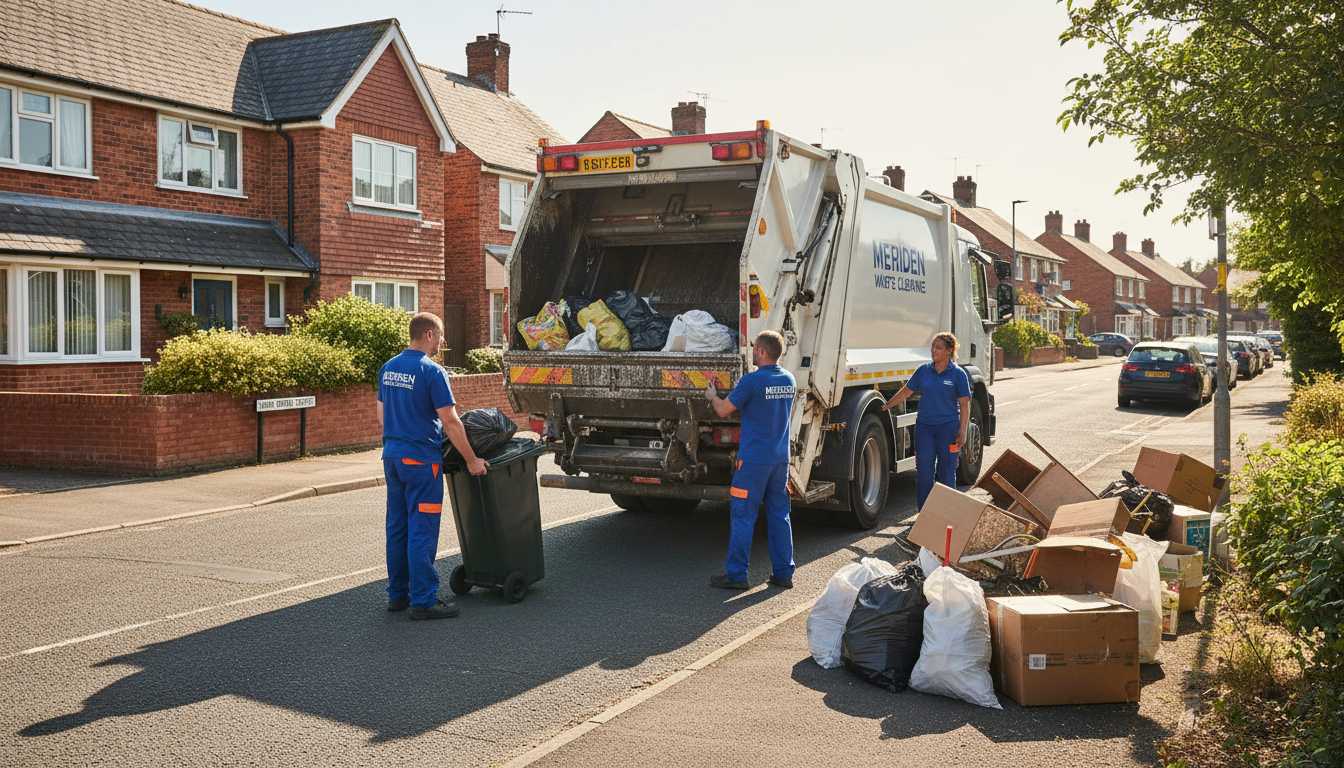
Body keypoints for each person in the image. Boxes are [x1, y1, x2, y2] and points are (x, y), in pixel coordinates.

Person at [378, 312, 488, 620]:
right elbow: (450, 422)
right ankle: (424, 600)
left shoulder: (388, 369)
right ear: (428, 335)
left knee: (397, 528)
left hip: (393, 457)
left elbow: (381, 417)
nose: (442, 342)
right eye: (440, 336)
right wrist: (472, 460)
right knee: (421, 530)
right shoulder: (432, 371)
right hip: (421, 461)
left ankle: (398, 596)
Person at [704, 330, 798, 590]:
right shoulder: (789, 380)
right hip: (779, 462)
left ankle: (737, 576)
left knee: (744, 516)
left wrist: (713, 397)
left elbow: (723, 411)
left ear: (761, 351)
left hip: (753, 462)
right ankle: (783, 573)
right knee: (780, 516)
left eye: (755, 348)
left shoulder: (751, 382)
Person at [881, 332, 971, 511]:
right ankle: (925, 515)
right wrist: (886, 406)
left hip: (948, 429)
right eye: (932, 347)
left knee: (946, 473)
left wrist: (964, 430)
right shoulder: (923, 371)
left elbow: (964, 404)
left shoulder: (958, 374)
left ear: (949, 351)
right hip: (925, 429)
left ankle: (946, 515)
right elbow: (906, 392)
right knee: (924, 473)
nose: (933, 350)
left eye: (938, 348)